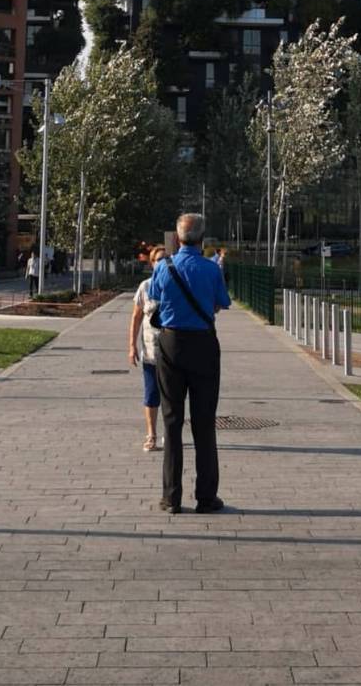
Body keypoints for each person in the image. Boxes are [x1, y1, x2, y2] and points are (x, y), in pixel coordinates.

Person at [149, 214, 230, 514]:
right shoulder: (211, 269)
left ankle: (171, 497)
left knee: (171, 422)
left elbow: (155, 296)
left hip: (170, 345)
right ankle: (206, 497)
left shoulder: (163, 267)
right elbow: (221, 303)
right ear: (202, 239)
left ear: (178, 238)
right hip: (204, 345)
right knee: (204, 423)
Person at [127, 245, 166, 452]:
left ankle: (170, 434)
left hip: (173, 354)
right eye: (157, 259)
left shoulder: (174, 285)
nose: (161, 262)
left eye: (164, 259)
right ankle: (151, 434)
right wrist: (132, 347)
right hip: (151, 353)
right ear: (152, 263)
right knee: (151, 395)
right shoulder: (145, 287)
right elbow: (136, 318)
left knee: (171, 396)